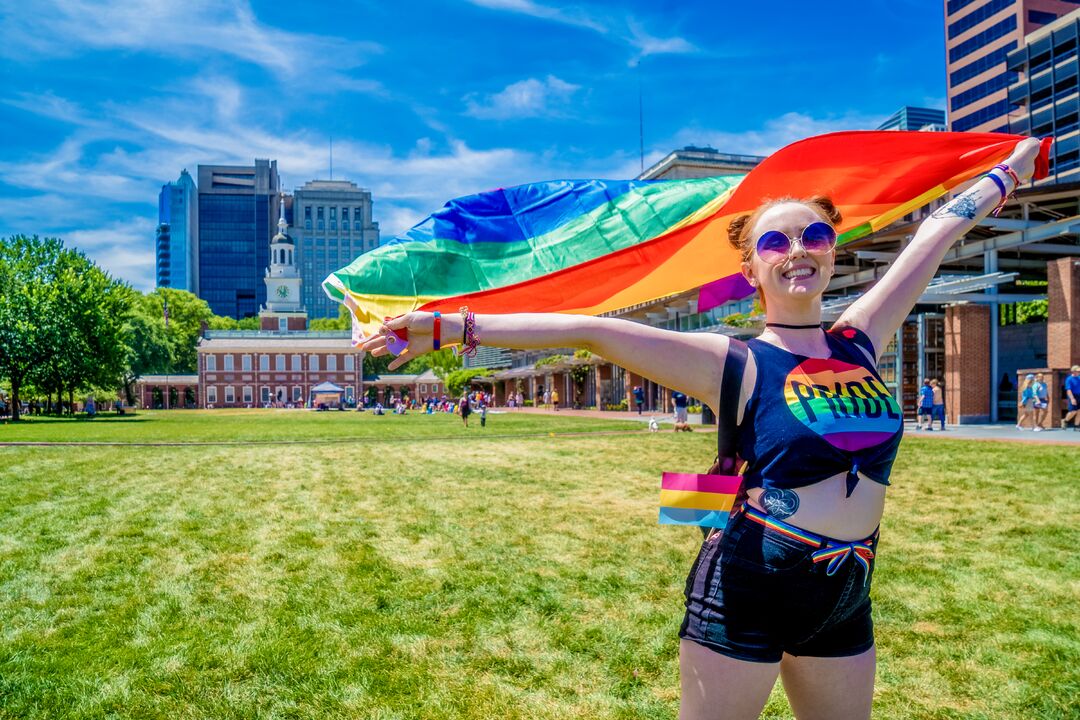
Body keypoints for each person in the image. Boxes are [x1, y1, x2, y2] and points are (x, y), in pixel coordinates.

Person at [363, 138, 1041, 719]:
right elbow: (591, 331)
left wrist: (1007, 170)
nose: (798, 251)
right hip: (750, 580)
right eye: (776, 241)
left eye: (816, 236)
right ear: (750, 271)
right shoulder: (735, 359)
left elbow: (935, 234)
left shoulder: (860, 340)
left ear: (834, 251)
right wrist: (454, 327)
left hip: (847, 588)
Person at [1063, 365, 1080, 431]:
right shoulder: (1069, 379)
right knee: (1073, 411)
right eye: (1078, 371)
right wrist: (1072, 399)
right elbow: (1068, 390)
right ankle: (1065, 421)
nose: (1079, 372)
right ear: (1073, 371)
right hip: (1073, 395)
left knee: (1079, 411)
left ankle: (1076, 426)